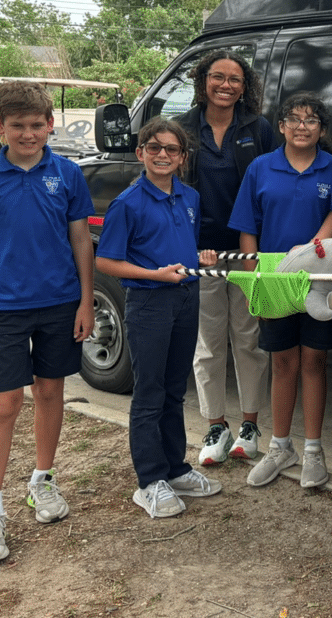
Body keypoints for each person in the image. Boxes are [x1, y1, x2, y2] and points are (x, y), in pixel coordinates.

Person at [0, 81, 95, 564]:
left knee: (51, 391)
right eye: (17, 126)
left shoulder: (69, 174)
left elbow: (81, 241)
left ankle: (42, 481)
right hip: (5, 306)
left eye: (37, 125)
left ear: (50, 125)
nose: (28, 134)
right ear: (0, 127)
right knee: (3, 403)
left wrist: (86, 301)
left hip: (59, 303)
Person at [96, 118, 223, 518]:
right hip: (150, 302)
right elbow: (106, 261)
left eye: (172, 149)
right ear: (141, 153)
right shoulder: (127, 204)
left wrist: (201, 256)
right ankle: (150, 480)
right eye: (155, 148)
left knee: (173, 389)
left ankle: (176, 468)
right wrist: (154, 275)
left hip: (186, 298)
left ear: (182, 157)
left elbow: (187, 242)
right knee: (149, 392)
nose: (163, 155)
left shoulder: (189, 197)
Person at [229, 93, 332, 489]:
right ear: (280, 126)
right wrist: (252, 279)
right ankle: (280, 446)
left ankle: (313, 449)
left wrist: (314, 247)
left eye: (311, 120)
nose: (301, 126)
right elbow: (248, 228)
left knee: (314, 362)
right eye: (293, 119)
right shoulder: (261, 168)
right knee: (282, 363)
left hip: (318, 278)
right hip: (274, 278)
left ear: (322, 130)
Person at [177, 50, 275, 467]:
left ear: (244, 86)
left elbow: (271, 184)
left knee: (250, 340)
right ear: (203, 82)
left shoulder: (258, 128)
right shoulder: (182, 128)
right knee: (209, 344)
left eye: (235, 79)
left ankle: (250, 426)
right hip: (202, 252)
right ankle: (215, 425)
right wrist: (187, 242)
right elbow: (169, 189)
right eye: (218, 77)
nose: (226, 86)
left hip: (248, 250)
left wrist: (256, 250)